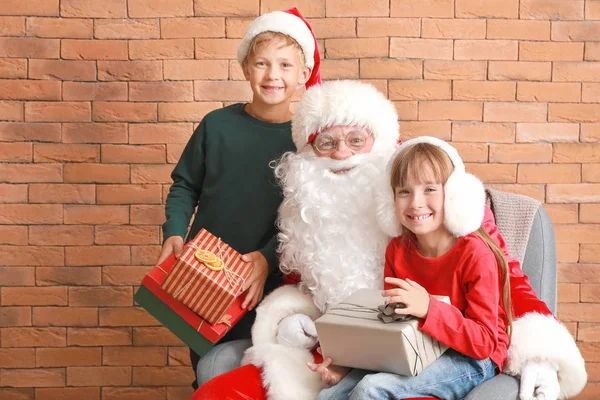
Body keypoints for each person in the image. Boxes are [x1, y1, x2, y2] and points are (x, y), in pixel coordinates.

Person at [193, 80, 587, 400]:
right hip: (383, 347)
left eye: (356, 140)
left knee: (373, 389)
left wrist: (541, 355)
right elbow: (377, 318)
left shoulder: (462, 229)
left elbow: (500, 305)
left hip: (463, 353)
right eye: (326, 143)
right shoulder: (391, 241)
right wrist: (322, 343)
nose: (341, 154)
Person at [156, 7, 321, 389]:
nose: (273, 75)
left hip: (266, 282)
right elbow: (184, 186)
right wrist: (175, 231)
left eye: (285, 65)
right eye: (262, 63)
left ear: (303, 74)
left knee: (262, 374)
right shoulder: (217, 126)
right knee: (207, 367)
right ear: (246, 68)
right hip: (203, 271)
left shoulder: (307, 146)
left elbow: (304, 217)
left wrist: (265, 258)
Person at [310, 136, 512, 399]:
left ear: (452, 196)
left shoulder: (475, 254)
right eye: (404, 191)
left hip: (473, 357)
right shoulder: (398, 249)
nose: (415, 202)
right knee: (330, 395)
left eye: (429, 189)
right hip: (419, 346)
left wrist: (429, 308)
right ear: (390, 199)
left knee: (372, 390)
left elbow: (484, 342)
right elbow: (391, 327)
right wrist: (343, 367)